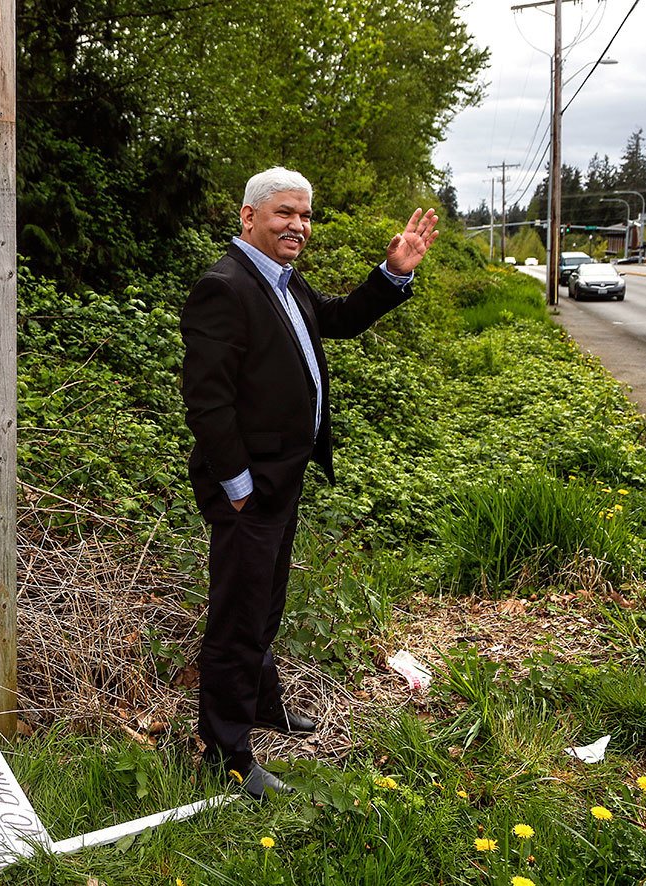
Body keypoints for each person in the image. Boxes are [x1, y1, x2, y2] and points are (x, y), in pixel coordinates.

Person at [180, 167, 439, 799]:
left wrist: (394, 272)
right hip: (249, 489)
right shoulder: (225, 287)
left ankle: (261, 704)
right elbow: (207, 401)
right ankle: (225, 754)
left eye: (305, 215)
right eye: (284, 214)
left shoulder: (286, 284)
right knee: (238, 618)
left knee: (264, 603)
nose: (298, 225)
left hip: (282, 478)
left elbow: (342, 320)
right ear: (249, 217)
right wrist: (238, 484)